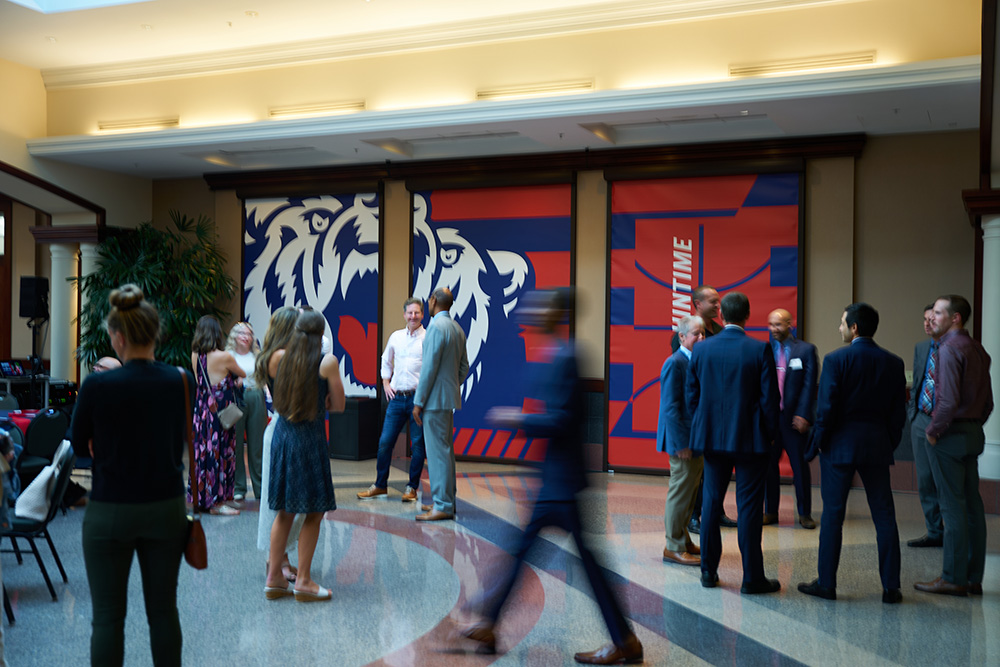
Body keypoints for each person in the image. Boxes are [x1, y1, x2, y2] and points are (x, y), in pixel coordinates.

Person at [459, 289, 643, 665]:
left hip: (563, 483)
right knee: (528, 551)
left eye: (539, 305)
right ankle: (491, 623)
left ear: (557, 313)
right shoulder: (552, 355)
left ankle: (625, 641)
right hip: (555, 481)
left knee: (574, 561)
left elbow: (563, 420)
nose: (530, 311)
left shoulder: (567, 356)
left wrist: (519, 419)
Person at [70, 284, 191, 666]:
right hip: (166, 507)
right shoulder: (179, 380)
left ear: (118, 338)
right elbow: (184, 438)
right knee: (163, 612)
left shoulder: (97, 384)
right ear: (155, 334)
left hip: (110, 508)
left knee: (107, 618)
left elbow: (78, 444)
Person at [798, 303, 905, 604]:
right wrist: (889, 442)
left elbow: (827, 409)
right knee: (885, 516)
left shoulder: (836, 359)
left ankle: (827, 584)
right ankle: (891, 587)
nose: (840, 328)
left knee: (832, 516)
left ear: (855, 327)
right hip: (877, 446)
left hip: (839, 447)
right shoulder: (893, 362)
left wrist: (818, 442)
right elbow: (898, 413)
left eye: (843, 323)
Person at [685, 291, 780, 593]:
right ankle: (752, 578)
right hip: (750, 440)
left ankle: (708, 572)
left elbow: (691, 396)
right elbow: (769, 400)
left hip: (712, 439)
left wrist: (704, 425)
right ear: (747, 315)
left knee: (711, 503)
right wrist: (770, 434)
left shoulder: (701, 350)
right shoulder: (759, 349)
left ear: (722, 316)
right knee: (749, 507)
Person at [264, 309, 346, 601]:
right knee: (314, 511)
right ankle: (305, 581)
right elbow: (338, 405)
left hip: (282, 436)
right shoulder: (326, 362)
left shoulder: (275, 358)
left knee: (284, 511)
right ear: (321, 334)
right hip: (309, 440)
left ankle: (274, 577)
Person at [915, 295, 993, 597]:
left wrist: (933, 432)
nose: (931, 317)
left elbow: (945, 402)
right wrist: (973, 425)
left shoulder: (947, 349)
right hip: (972, 433)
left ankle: (952, 578)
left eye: (937, 313)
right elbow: (988, 403)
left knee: (952, 507)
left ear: (955, 318)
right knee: (973, 506)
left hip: (948, 435)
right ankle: (973, 577)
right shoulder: (977, 349)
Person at [671, 285, 736, 533]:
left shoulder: (720, 332)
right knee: (696, 472)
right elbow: (685, 377)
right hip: (698, 412)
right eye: (712, 301)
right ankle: (694, 517)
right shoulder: (682, 335)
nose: (718, 305)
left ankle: (715, 511)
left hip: (719, 410)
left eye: (719, 301)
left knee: (717, 467)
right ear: (697, 304)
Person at [358, 297, 427, 503]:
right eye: (410, 313)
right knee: (384, 443)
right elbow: (385, 360)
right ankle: (380, 485)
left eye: (417, 313)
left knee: (418, 446)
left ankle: (411, 488)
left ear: (422, 314)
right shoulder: (396, 337)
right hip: (397, 399)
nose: (413, 316)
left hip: (418, 399)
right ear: (404, 314)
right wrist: (386, 383)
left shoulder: (429, 337)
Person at [255, 307, 304, 582]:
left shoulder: (281, 354)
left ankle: (280, 557)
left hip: (283, 429)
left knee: (288, 503)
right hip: (283, 430)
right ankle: (276, 560)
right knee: (280, 504)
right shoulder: (282, 356)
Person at [412, 287, 468, 522]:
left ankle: (442, 505)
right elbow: (463, 367)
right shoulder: (457, 328)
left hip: (434, 401)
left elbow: (429, 368)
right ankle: (446, 501)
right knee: (445, 452)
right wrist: (451, 386)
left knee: (436, 454)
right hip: (448, 399)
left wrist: (418, 401)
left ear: (434, 301)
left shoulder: (435, 326)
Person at [763, 308, 818, 529]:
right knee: (768, 467)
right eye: (771, 324)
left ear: (790, 324)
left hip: (794, 420)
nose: (773, 329)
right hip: (771, 420)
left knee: (800, 468)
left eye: (778, 324)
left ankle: (804, 513)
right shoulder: (764, 350)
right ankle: (770, 511)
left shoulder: (805, 350)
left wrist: (804, 414)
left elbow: (809, 386)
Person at [657, 314, 705, 566]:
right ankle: (672, 546)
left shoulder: (695, 361)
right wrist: (680, 444)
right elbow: (671, 408)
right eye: (696, 333)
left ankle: (684, 540)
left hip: (696, 441)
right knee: (680, 493)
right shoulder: (675, 363)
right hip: (683, 443)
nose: (701, 337)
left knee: (690, 492)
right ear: (682, 336)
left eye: (703, 333)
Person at [190, 315, 246, 515]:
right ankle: (218, 503)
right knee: (220, 452)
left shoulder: (195, 355)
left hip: (201, 412)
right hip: (220, 414)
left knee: (203, 454)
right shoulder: (225, 357)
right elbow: (243, 373)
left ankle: (203, 498)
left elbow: (201, 382)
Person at [906, 304, 945, 548]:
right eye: (924, 319)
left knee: (945, 480)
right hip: (920, 418)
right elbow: (919, 381)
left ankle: (952, 532)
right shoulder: (921, 347)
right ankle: (934, 532)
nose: (927, 324)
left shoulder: (953, 349)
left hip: (944, 422)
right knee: (925, 480)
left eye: (932, 319)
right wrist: (912, 414)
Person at [226, 321, 266, 502]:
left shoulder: (258, 356)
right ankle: (239, 487)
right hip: (236, 399)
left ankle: (260, 488)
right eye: (242, 333)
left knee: (257, 445)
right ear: (234, 336)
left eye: (249, 334)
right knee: (236, 444)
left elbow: (263, 379)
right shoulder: (228, 355)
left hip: (255, 396)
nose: (246, 337)